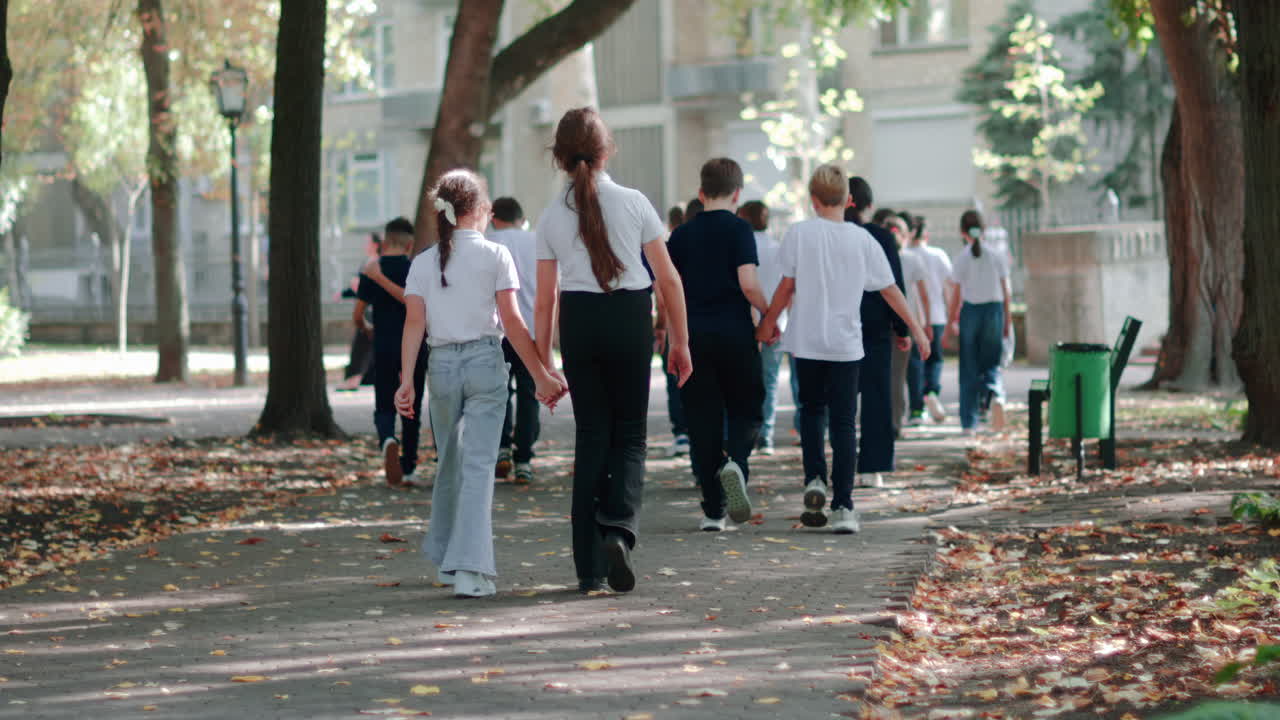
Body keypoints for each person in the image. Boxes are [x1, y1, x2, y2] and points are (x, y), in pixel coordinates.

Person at [533, 107, 692, 594]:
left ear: (559, 157)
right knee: (630, 436)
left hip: (579, 321)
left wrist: (543, 365)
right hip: (629, 317)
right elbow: (667, 278)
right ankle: (619, 528)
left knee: (591, 438)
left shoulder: (550, 217)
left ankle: (588, 569)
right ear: (607, 151)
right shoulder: (635, 203)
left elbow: (544, 301)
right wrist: (681, 341)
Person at [396, 169, 565, 599]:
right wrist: (541, 374)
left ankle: (447, 561)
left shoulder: (422, 262)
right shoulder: (495, 256)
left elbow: (414, 325)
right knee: (477, 467)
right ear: (479, 211)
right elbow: (512, 323)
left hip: (441, 367)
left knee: (450, 463)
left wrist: (406, 382)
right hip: (486, 364)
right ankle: (470, 568)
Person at [756, 165, 929, 535]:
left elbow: (786, 288)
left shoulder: (799, 234)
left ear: (813, 199)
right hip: (846, 346)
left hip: (806, 343)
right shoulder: (863, 240)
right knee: (845, 423)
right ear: (849, 200)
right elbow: (890, 289)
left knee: (812, 413)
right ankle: (844, 506)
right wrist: (917, 330)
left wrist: (768, 323)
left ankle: (815, 479)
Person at [669, 159, 769, 532]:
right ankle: (737, 463)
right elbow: (748, 283)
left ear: (701, 193)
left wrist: (670, 333)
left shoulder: (680, 236)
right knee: (748, 408)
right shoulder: (741, 229)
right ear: (737, 195)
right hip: (736, 334)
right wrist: (769, 314)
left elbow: (669, 289)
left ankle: (713, 511)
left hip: (693, 338)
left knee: (701, 420)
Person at [846, 177, 908, 489]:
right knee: (876, 397)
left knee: (841, 400)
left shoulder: (833, 235)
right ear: (869, 204)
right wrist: (903, 327)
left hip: (839, 324)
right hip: (875, 327)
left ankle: (839, 464)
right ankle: (873, 467)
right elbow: (894, 284)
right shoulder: (881, 237)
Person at [354, 220, 426, 488]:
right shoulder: (416, 269)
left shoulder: (373, 270)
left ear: (385, 243)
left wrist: (366, 327)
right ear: (409, 245)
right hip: (415, 346)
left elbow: (357, 314)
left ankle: (387, 439)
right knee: (412, 406)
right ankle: (408, 469)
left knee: (384, 401)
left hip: (383, 344)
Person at [488, 197, 540, 484]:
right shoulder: (536, 241)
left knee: (500, 391)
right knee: (530, 393)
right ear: (521, 217)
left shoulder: (487, 242)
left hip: (497, 329)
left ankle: (502, 447)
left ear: (494, 217)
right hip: (531, 328)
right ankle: (524, 460)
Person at [946, 210, 1011, 435]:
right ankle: (996, 394)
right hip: (994, 310)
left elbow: (956, 295)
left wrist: (949, 323)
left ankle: (969, 424)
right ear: (983, 230)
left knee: (969, 368)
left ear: (962, 232)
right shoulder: (997, 255)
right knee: (992, 362)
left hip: (971, 313)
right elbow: (1006, 291)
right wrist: (1007, 321)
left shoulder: (961, 257)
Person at [739, 200, 784, 456]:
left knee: (743, 381)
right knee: (770, 379)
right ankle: (766, 435)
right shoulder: (779, 249)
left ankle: (746, 433)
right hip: (776, 322)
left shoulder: (741, 245)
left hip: (746, 320)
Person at [885, 214, 931, 432]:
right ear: (904, 236)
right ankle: (896, 421)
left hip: (881, 324)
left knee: (880, 375)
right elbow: (922, 296)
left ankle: (881, 421)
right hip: (906, 323)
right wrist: (924, 324)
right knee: (898, 375)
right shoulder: (913, 259)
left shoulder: (878, 257)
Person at [906, 215, 952, 423]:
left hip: (913, 317)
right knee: (935, 359)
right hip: (937, 315)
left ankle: (917, 409)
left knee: (915, 363)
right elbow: (950, 285)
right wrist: (953, 315)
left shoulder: (904, 256)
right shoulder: (938, 254)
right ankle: (932, 391)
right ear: (926, 234)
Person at [658, 206, 691, 458]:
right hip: (699, 324)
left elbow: (662, 292)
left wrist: (660, 325)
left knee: (674, 379)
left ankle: (681, 433)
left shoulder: (670, 247)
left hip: (673, 326)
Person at [337, 232, 381, 391]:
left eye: (367, 242)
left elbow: (368, 286)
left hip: (371, 311)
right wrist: (344, 293)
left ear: (375, 245)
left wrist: (359, 285)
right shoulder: (367, 262)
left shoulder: (377, 262)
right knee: (369, 346)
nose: (364, 245)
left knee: (362, 345)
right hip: (365, 308)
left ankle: (354, 378)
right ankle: (362, 378)